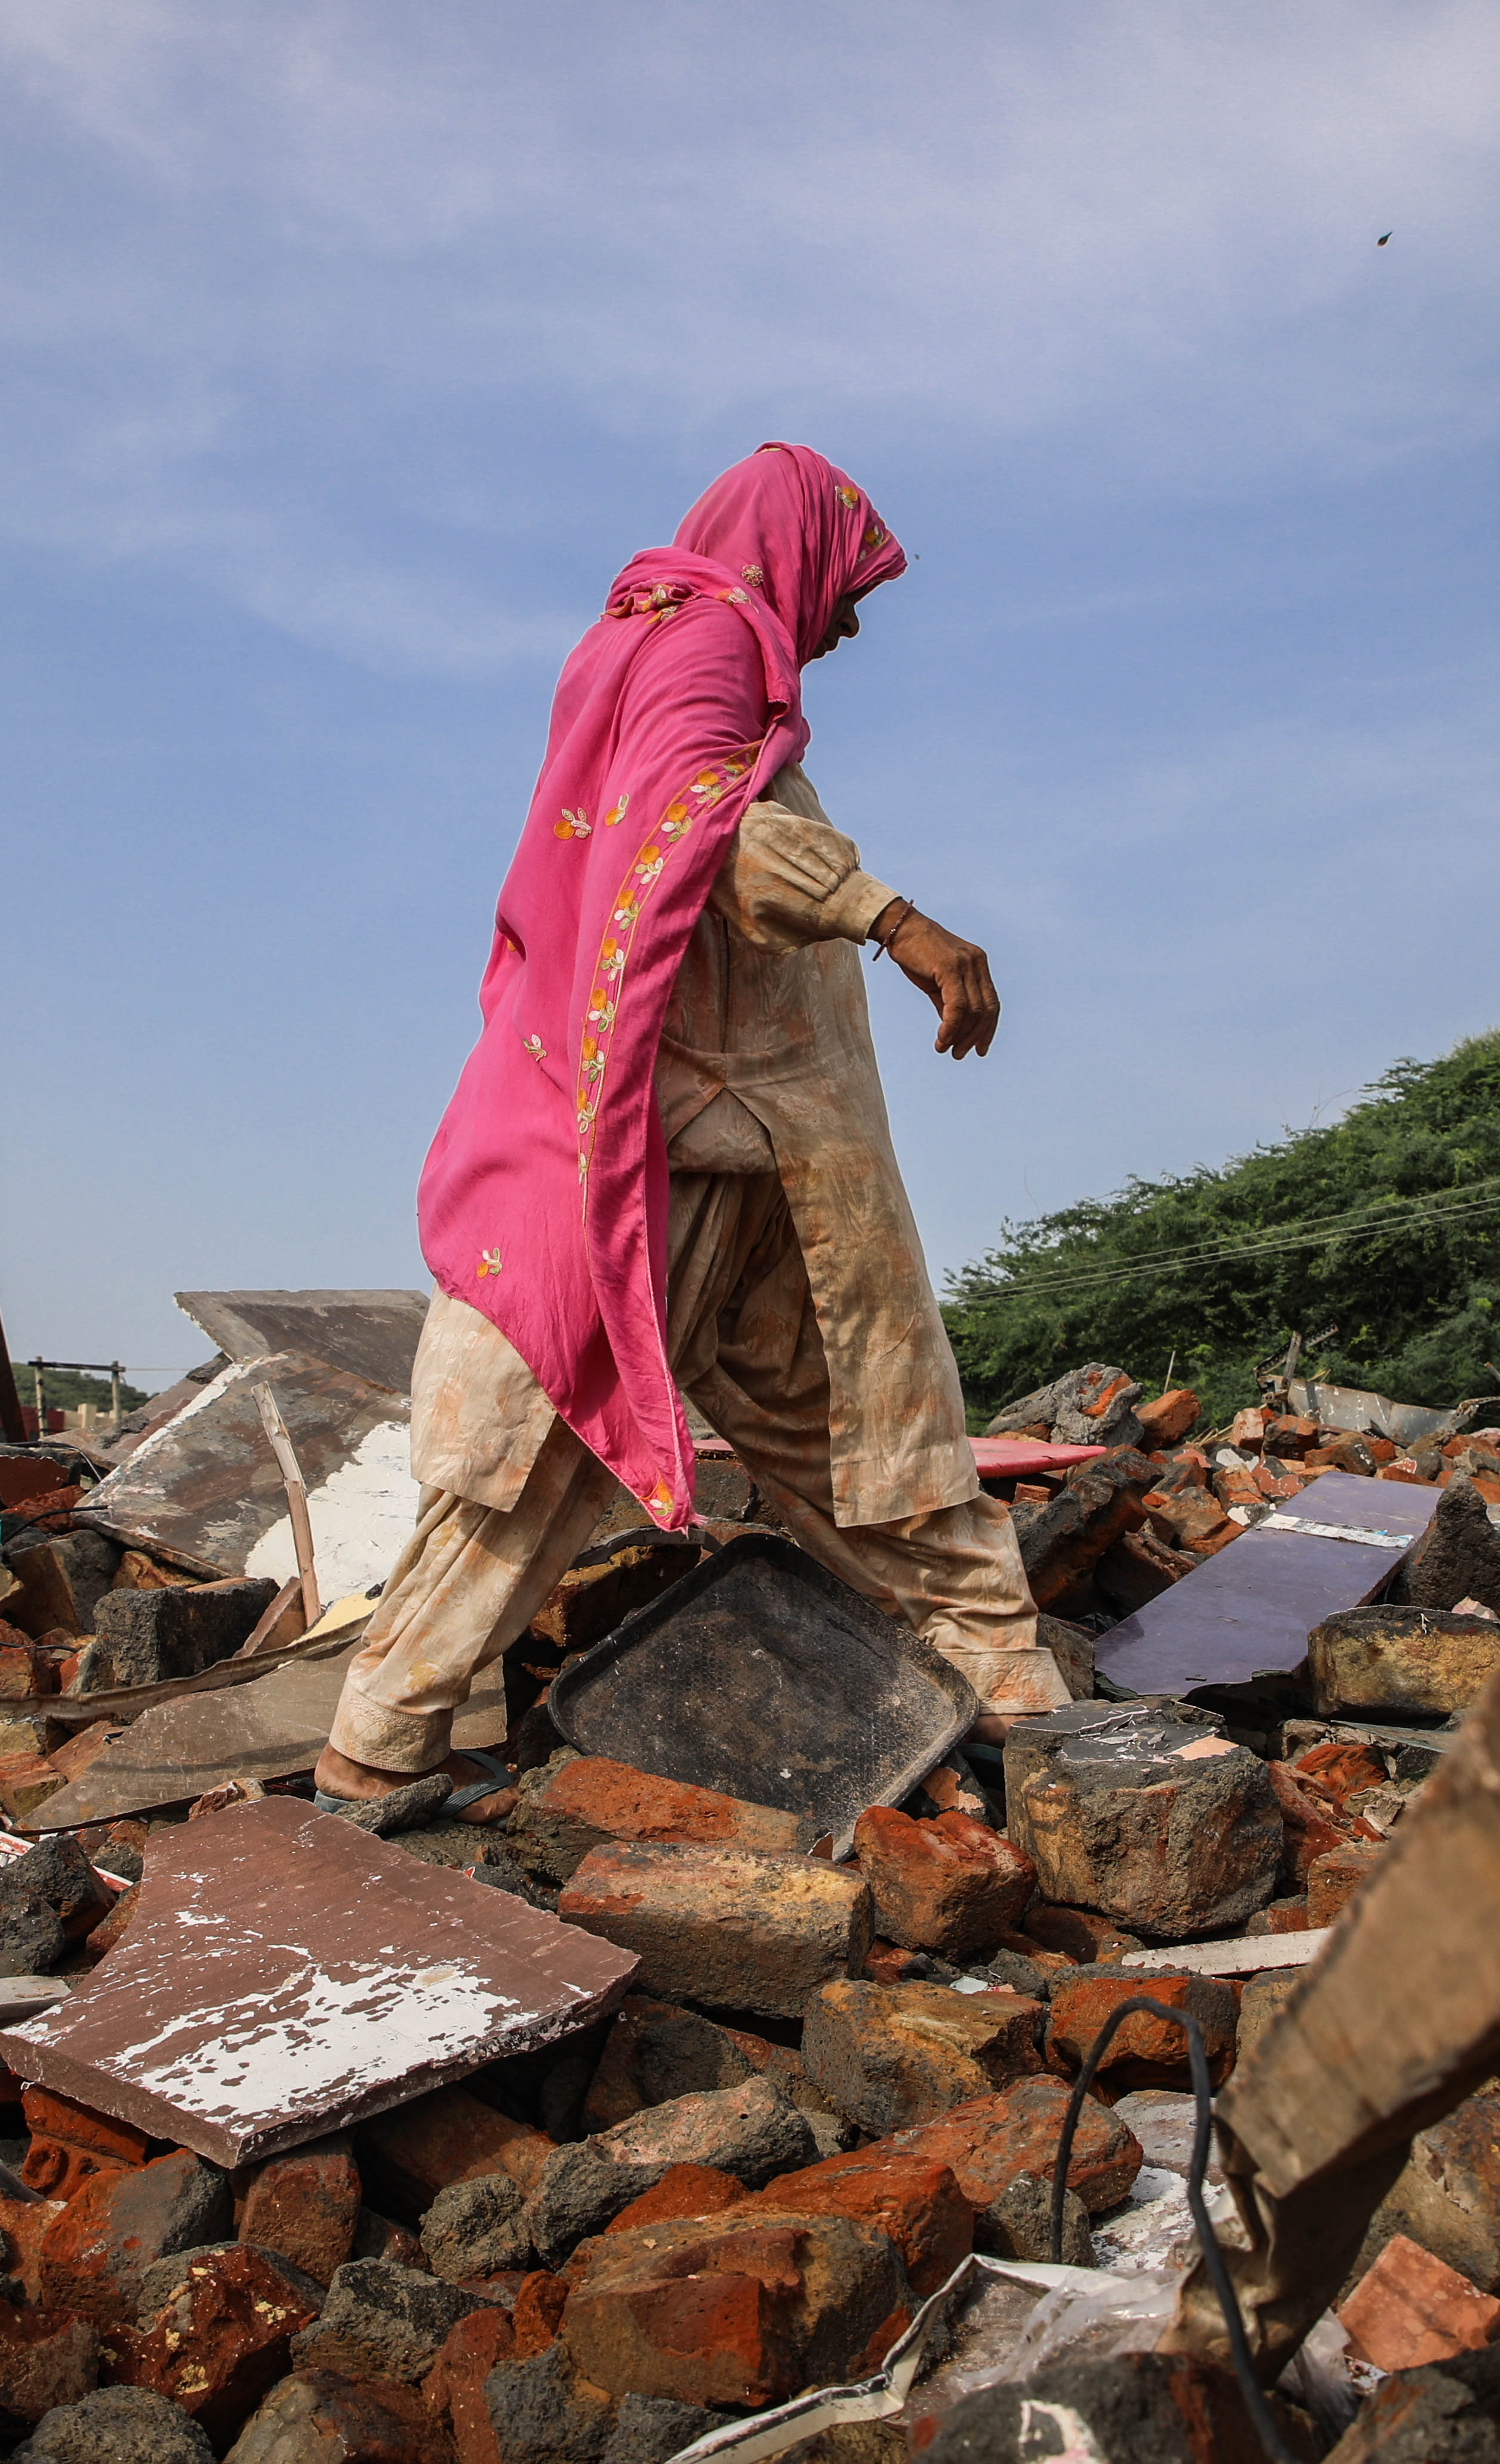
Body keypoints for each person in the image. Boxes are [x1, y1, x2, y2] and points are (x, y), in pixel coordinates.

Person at [316, 444, 1062, 1800]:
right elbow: (697, 824)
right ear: (798, 553)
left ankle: (1024, 1700)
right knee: (539, 1460)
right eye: (853, 587)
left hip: (767, 1154)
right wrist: (899, 921)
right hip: (682, 1154)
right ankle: (375, 1753)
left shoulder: (673, 649)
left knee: (870, 1445)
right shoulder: (710, 636)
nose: (848, 621)